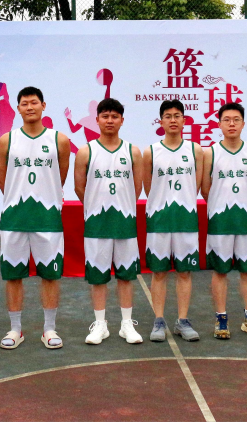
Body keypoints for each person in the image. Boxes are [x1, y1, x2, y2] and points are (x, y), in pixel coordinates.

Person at [0, 87, 71, 349]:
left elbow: (61, 176)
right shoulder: (7, 140)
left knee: (50, 275)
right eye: (24, 103)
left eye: (34, 102)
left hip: (47, 218)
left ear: (43, 105)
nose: (30, 107)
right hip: (14, 217)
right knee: (13, 275)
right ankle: (15, 329)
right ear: (18, 108)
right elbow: (2, 179)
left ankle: (49, 329)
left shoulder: (59, 140)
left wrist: (46, 197)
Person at [74, 98, 144, 345]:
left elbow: (137, 187)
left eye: (115, 116)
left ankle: (127, 324)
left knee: (126, 275)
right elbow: (79, 188)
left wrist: (124, 207)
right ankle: (100, 325)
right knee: (98, 276)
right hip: (97, 224)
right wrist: (96, 206)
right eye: (105, 116)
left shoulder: (133, 151)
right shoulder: (86, 151)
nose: (110, 120)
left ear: (122, 120)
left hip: (125, 222)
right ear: (97, 120)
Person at [201, 102, 247, 340]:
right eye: (226, 120)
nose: (231, 124)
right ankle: (221, 318)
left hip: (246, 221)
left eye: (236, 120)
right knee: (220, 271)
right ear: (219, 124)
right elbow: (206, 189)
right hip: (220, 221)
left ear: (243, 123)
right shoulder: (210, 153)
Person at [143, 100, 203, 342]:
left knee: (184, 271)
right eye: (168, 116)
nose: (173, 120)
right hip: (159, 219)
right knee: (159, 272)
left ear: (184, 120)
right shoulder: (150, 151)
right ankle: (158, 320)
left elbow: (196, 184)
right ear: (161, 121)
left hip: (185, 219)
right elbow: (149, 187)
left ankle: (182, 320)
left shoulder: (195, 150)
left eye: (177, 115)